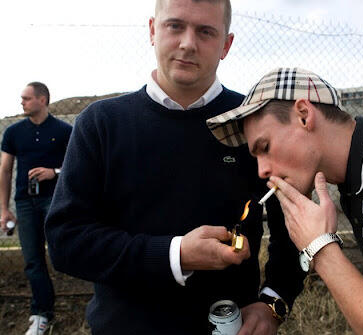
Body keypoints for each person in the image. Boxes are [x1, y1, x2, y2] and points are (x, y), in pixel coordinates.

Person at [45, 2, 305, 334]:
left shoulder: (254, 122)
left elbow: (294, 227)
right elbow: (67, 243)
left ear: (226, 45)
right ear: (153, 30)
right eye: (175, 26)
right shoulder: (100, 123)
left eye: (206, 31)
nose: (187, 43)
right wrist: (175, 254)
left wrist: (273, 302)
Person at [207, 67, 363, 333]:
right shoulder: (356, 178)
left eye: (265, 148)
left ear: (304, 115)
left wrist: (319, 248)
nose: (262, 171)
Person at [0, 81, 72, 335]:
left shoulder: (64, 131)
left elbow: (78, 167)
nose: (22, 102)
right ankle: (41, 313)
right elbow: (5, 170)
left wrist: (53, 172)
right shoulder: (13, 132)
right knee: (32, 260)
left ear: (42, 100)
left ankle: (96, 305)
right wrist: (4, 210)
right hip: (25, 203)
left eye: (26, 98)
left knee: (64, 252)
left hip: (56, 201)